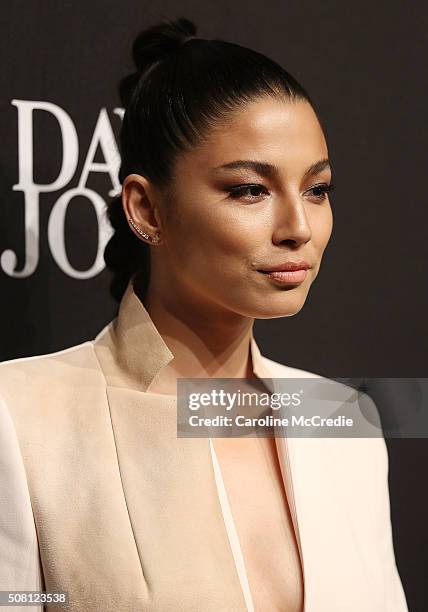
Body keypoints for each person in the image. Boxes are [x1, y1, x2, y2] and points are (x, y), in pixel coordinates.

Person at [0, 17, 408, 612]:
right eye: (250, 189)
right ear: (147, 208)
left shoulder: (344, 419)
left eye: (317, 189)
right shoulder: (21, 417)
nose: (298, 228)